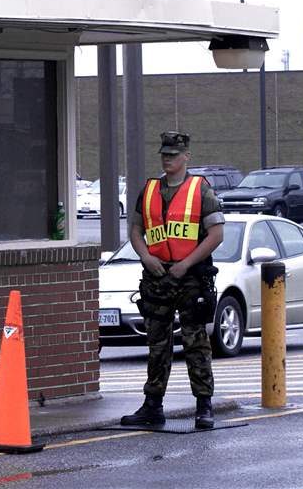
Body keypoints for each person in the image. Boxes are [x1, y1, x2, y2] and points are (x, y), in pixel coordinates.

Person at [120, 131, 224, 429]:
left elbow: (216, 235)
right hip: (157, 277)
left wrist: (186, 264)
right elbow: (136, 230)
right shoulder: (150, 189)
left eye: (173, 155)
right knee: (157, 344)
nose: (168, 159)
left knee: (195, 342)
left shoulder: (201, 191)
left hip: (190, 278)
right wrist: (146, 257)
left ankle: (204, 406)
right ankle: (152, 406)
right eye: (164, 154)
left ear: (186, 157)